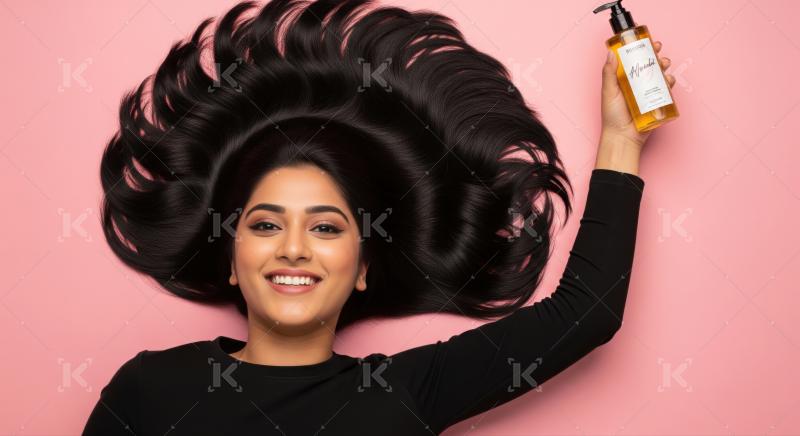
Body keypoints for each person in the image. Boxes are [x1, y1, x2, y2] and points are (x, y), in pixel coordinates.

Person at [84, 0, 675, 434]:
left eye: (325, 226)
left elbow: (588, 312)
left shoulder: (404, 392)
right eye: (265, 224)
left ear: (364, 267)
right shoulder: (151, 389)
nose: (293, 247)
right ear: (232, 262)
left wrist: (622, 139)